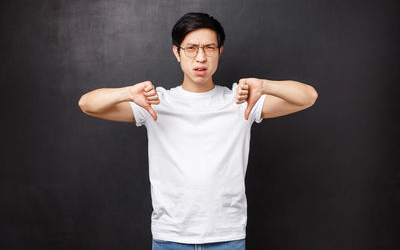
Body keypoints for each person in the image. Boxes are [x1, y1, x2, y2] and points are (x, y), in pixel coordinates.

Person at [78, 12, 318, 250]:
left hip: (227, 236)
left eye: (209, 48)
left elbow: (308, 97)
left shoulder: (241, 100)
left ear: (219, 52)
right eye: (191, 48)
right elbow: (87, 104)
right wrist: (128, 93)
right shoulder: (156, 102)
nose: (200, 57)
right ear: (177, 53)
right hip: (170, 237)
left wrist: (265, 85)